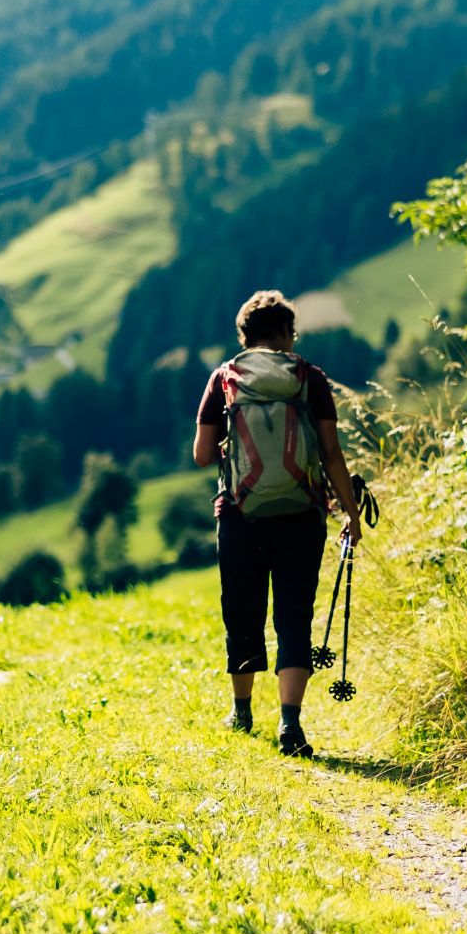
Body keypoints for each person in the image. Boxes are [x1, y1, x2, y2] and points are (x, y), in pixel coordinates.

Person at [194, 289, 363, 757]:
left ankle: (243, 711)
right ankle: (290, 724)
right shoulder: (309, 377)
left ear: (245, 336)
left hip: (240, 515)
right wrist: (350, 512)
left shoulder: (224, 378)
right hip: (302, 514)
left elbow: (202, 454)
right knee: (294, 617)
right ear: (287, 334)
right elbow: (332, 454)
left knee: (243, 611)